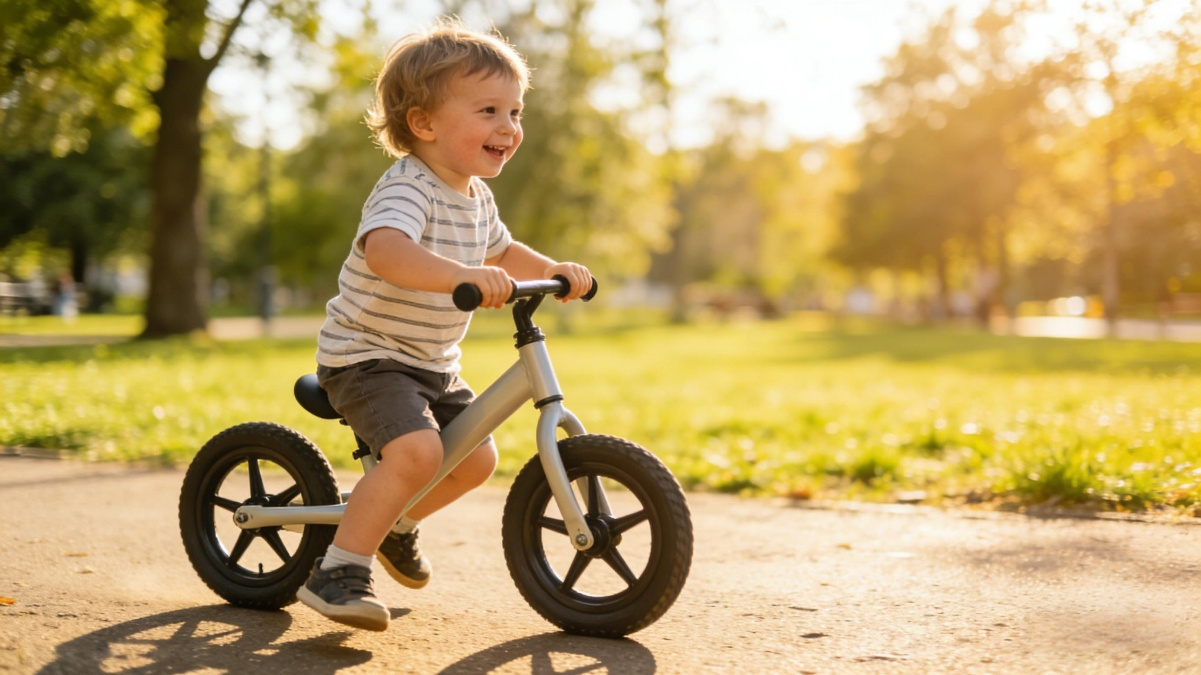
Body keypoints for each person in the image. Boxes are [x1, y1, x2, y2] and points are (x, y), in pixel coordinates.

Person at [296, 19, 592, 632]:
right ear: (424, 124)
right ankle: (339, 567)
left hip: (430, 363)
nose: (509, 127)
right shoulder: (409, 188)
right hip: (368, 355)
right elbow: (387, 252)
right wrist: (462, 274)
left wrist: (554, 271)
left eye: (515, 111)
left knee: (474, 459)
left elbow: (506, 252)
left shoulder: (477, 197)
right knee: (418, 451)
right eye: (489, 110)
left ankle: (392, 522)